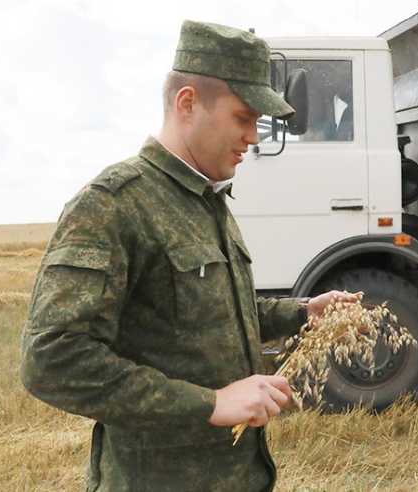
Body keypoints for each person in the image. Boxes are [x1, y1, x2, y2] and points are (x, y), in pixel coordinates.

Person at [21, 20, 358, 491]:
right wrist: (211, 404)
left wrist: (302, 313)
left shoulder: (208, 200)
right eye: (243, 118)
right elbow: (51, 359)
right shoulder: (114, 204)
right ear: (187, 103)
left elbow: (213, 316)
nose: (254, 137)